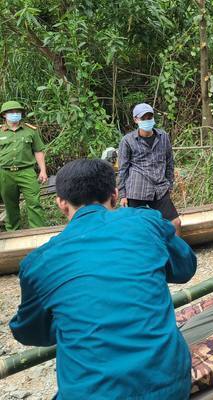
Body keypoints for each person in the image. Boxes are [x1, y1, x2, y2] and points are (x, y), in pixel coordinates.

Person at [10, 158, 197, 399]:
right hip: (169, 385)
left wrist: (74, 316)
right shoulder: (145, 222)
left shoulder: (38, 262)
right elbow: (186, 268)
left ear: (60, 204)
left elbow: (27, 332)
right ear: (115, 195)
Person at [118, 103, 181, 235]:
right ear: (136, 120)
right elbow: (123, 169)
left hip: (159, 187)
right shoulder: (127, 141)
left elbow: (169, 161)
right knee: (136, 227)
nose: (147, 120)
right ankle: (140, 254)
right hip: (136, 189)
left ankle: (177, 253)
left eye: (149, 117)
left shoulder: (163, 136)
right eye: (144, 118)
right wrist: (123, 195)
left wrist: (169, 183)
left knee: (175, 223)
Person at [0, 100, 47, 230]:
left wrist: (43, 171)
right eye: (11, 112)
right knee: (10, 204)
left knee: (34, 202)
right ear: (4, 115)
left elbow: (38, 151)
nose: (15, 114)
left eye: (17, 111)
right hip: (5, 173)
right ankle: (12, 232)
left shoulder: (30, 131)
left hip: (26, 171)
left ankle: (38, 231)